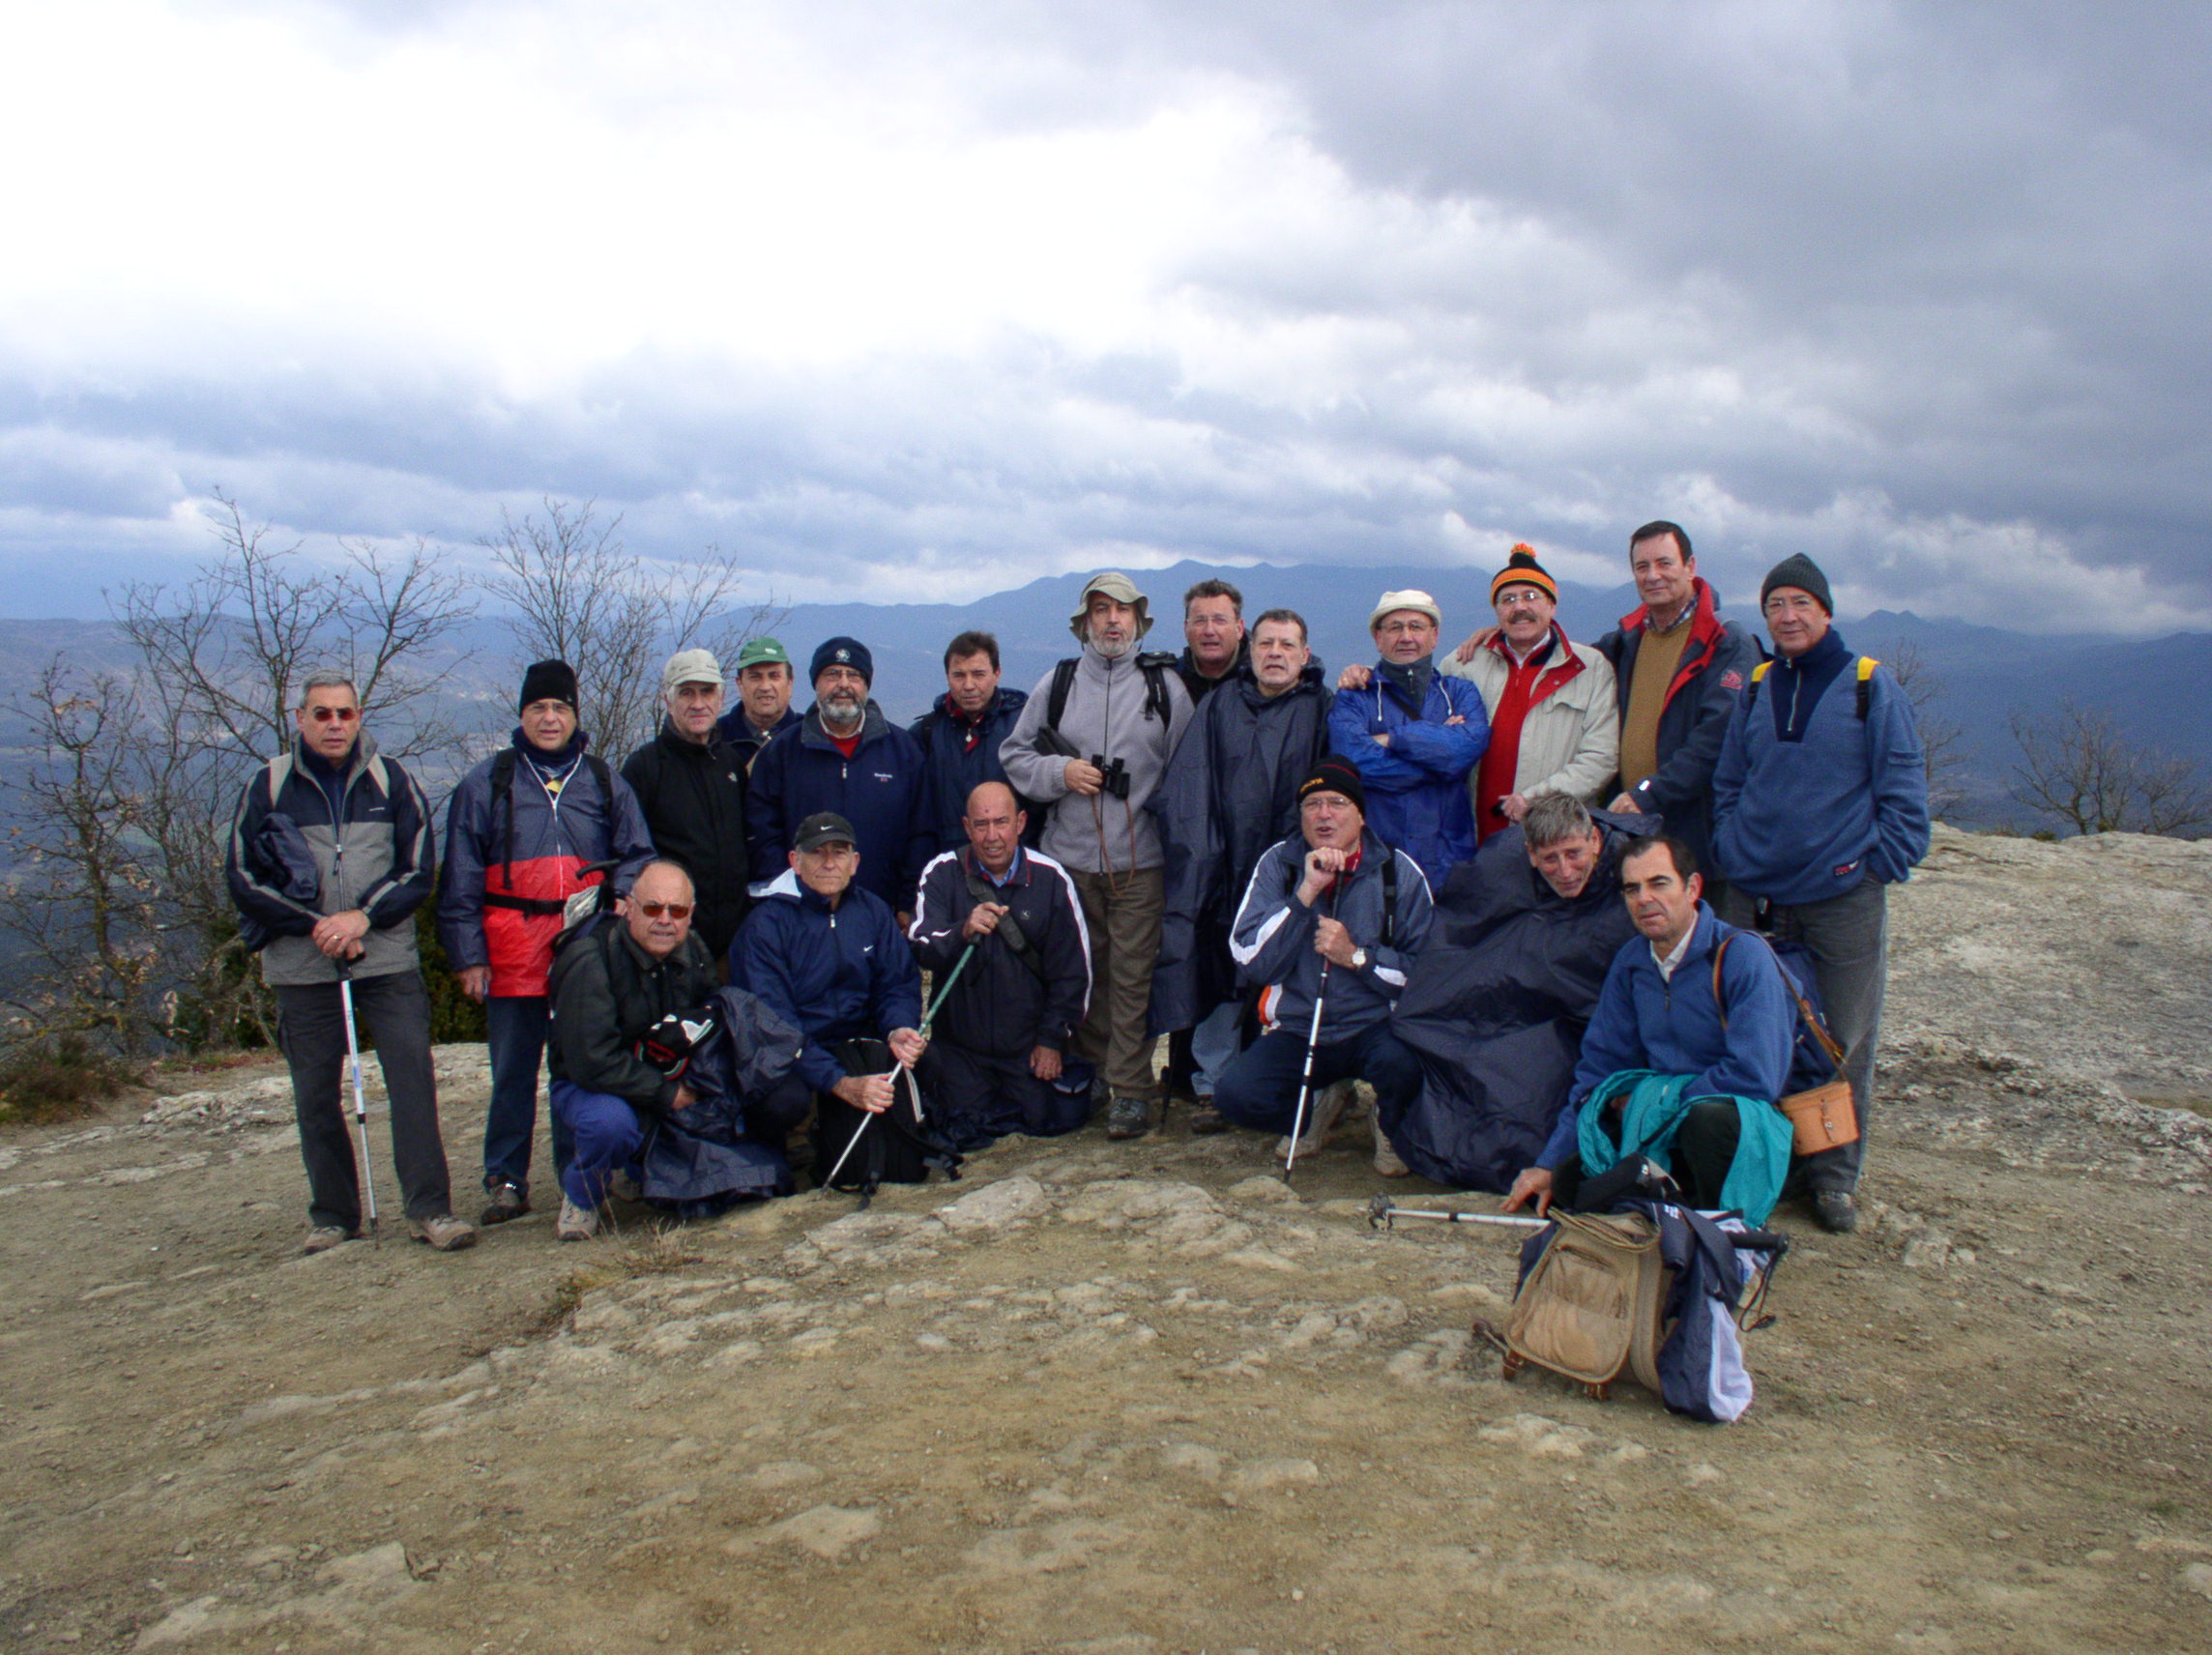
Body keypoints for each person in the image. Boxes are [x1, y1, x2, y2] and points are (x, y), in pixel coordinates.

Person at [1710, 553, 1932, 1234]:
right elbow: (1730, 779)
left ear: (1826, 612)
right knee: (1757, 1029)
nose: (1787, 616)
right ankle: (1775, 1162)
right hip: (1755, 895)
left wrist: (1873, 868)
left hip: (1841, 899)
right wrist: (1730, 846)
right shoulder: (1757, 686)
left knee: (1842, 1038)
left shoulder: (1869, 685)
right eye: (1775, 605)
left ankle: (1833, 1176)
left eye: (1800, 603)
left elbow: (1904, 787)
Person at [226, 670, 473, 1254]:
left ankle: (430, 1210)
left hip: (386, 960)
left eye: (345, 713)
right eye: (322, 714)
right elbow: (240, 875)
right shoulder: (268, 785)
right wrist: (316, 925)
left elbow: (419, 869)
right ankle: (334, 1216)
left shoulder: (392, 779)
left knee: (412, 1084)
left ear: (359, 716)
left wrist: (362, 917)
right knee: (315, 1094)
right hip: (301, 964)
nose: (334, 724)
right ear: (301, 719)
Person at [439, 658, 655, 1226]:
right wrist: (468, 956)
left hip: (585, 952)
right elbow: (459, 876)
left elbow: (637, 853)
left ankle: (575, 1177)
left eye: (560, 707)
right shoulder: (487, 783)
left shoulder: (603, 781)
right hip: (511, 950)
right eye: (538, 708)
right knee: (512, 1070)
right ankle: (505, 1179)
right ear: (522, 715)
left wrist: (623, 895)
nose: (550, 718)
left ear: (575, 715)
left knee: (578, 1066)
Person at [1502, 835, 1795, 1226]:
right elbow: (1600, 1070)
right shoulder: (1632, 961)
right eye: (1632, 889)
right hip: (1662, 1127)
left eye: (1659, 883)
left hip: (1737, 1126)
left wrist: (1659, 1099)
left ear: (1692, 888)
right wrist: (1550, 1162)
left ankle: (1717, 1227)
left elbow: (1757, 1075)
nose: (1644, 899)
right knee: (1568, 1184)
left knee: (1707, 1122)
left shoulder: (1742, 954)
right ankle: (1672, 1209)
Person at [1000, 572, 1194, 1140]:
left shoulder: (1165, 688)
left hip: (1142, 862)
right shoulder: (1057, 683)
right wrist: (1060, 772)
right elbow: (1014, 754)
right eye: (1101, 610)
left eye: (1122, 610)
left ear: (1138, 621)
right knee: (1082, 975)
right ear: (1084, 623)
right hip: (1069, 862)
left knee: (1132, 978)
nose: (1112, 620)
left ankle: (1130, 1089)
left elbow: (1187, 771)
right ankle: (1094, 1075)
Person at [1385, 794, 1652, 1188]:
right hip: (1518, 1010)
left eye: (1574, 854)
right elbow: (1462, 939)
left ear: (1595, 840)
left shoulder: (1634, 879)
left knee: (1532, 1103)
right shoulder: (1503, 864)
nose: (1565, 871)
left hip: (1588, 1028)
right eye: (1550, 859)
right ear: (1530, 854)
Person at [545, 861, 805, 1237]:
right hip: (590, 1084)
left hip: (664, 1071)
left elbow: (708, 1020)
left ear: (690, 914)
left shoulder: (692, 949)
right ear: (629, 908)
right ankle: (582, 1196)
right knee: (610, 1125)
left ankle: (640, 1171)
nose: (665, 920)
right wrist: (666, 1093)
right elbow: (590, 1061)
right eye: (653, 908)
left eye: (677, 911)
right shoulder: (590, 959)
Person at [1150, 608, 1333, 1121]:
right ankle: (1213, 1084)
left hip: (1295, 865)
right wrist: (1201, 856)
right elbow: (1189, 785)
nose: (1275, 653)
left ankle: (1297, 1087)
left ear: (1304, 654)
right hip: (1222, 862)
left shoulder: (1321, 708)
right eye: (1266, 644)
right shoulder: (1221, 704)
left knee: (1291, 969)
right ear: (1249, 651)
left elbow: (1334, 791)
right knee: (1222, 968)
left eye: (1287, 645)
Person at [1209, 757, 1433, 1156]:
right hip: (1299, 1027)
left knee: (1409, 1066)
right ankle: (1310, 1111)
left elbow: (1428, 974)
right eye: (1312, 804)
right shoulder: (1279, 863)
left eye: (1337, 803)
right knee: (1236, 1096)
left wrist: (1356, 957)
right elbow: (1251, 959)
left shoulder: (1397, 871)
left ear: (1361, 815)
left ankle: (1389, 1121)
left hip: (1377, 1026)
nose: (1324, 814)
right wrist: (1305, 895)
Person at [729, 813, 936, 1181]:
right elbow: (775, 1025)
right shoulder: (765, 925)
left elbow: (898, 983)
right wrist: (839, 1082)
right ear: (795, 861)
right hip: (794, 1054)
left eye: (838, 853)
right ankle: (778, 1153)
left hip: (857, 1039)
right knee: (783, 1102)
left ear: (854, 862)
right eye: (817, 853)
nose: (828, 863)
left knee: (934, 1065)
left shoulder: (872, 910)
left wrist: (898, 1028)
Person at [907, 782, 1092, 1147]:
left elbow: (1074, 973)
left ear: (1020, 823)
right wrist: (961, 931)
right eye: (981, 824)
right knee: (958, 1124)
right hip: (961, 1048)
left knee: (1048, 1119)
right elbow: (920, 946)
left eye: (1001, 822)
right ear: (966, 827)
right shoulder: (941, 873)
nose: (992, 836)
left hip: (1026, 1047)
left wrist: (1051, 1040)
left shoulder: (1052, 878)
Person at [1582, 522, 1758, 893]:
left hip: (1698, 836)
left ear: (1690, 566)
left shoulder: (1725, 642)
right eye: (1642, 567)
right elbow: (1568, 662)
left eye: (1664, 563)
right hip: (1635, 830)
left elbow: (1716, 738)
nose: (1653, 576)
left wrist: (1650, 793)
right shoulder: (1627, 641)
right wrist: (1502, 635)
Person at [1439, 545, 1617, 842]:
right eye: (1508, 599)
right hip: (1469, 832)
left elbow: (1601, 758)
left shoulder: (1590, 668)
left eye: (1531, 596)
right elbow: (1421, 718)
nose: (1519, 607)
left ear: (1552, 606)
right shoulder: (1462, 663)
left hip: (1554, 836)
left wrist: (1536, 799)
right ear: (1497, 611)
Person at [746, 636, 932, 917]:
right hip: (801, 913)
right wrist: (788, 898)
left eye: (853, 675)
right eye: (832, 674)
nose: (843, 684)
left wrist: (908, 903)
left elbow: (921, 834)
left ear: (866, 685)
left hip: (882, 913)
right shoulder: (781, 753)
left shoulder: (903, 751)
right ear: (816, 684)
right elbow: (763, 835)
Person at [1327, 589, 1489, 889]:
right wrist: (1438, 758)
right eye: (1394, 627)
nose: (1406, 637)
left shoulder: (1460, 692)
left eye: (1416, 626)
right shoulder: (1355, 697)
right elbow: (1354, 763)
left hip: (1449, 862)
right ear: (1378, 638)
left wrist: (1391, 739)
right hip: (1376, 860)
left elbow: (1464, 751)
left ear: (1434, 636)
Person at [621, 649, 754, 963]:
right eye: (686, 693)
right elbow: (627, 855)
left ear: (721, 698)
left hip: (732, 945)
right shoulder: (644, 768)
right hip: (669, 946)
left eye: (706, 692)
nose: (698, 703)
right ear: (668, 701)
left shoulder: (731, 765)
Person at [911, 629, 1032, 857]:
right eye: (959, 675)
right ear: (947, 676)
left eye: (978, 674)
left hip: (1012, 862)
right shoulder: (926, 733)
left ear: (997, 673)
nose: (968, 685)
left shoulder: (1025, 729)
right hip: (949, 864)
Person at [715, 636, 800, 768]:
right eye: (755, 677)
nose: (765, 687)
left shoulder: (810, 736)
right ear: (739, 684)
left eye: (774, 676)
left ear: (790, 682)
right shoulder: (714, 738)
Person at [1176, 578, 1248, 704]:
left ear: (1239, 628)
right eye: (1200, 621)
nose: (1209, 631)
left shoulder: (1260, 678)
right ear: (1186, 628)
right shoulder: (1171, 679)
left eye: (1219, 620)